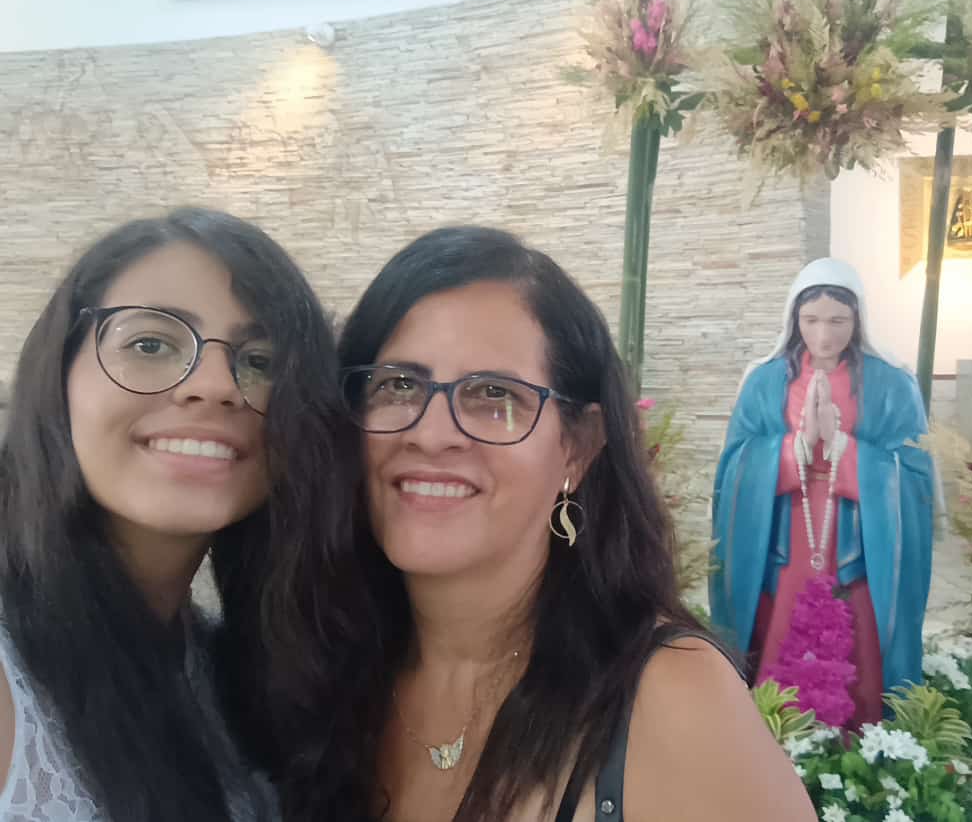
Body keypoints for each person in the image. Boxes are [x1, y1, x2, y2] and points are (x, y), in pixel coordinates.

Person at [258, 226, 814, 822]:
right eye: (398, 385)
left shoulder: (669, 698)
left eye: (493, 394)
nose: (431, 433)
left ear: (577, 448)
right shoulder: (322, 671)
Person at [0, 208, 349, 821]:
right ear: (58, 374)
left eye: (260, 361)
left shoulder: (232, 672)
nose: (214, 385)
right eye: (151, 344)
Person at [710, 257, 934, 728]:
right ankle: (775, 726)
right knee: (783, 627)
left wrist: (846, 450)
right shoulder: (764, 382)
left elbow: (915, 475)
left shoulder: (893, 385)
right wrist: (794, 448)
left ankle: (862, 732)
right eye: (811, 320)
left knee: (858, 632)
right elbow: (734, 466)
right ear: (794, 318)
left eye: (838, 321)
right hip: (786, 533)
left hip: (859, 542)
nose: (824, 335)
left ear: (858, 319)